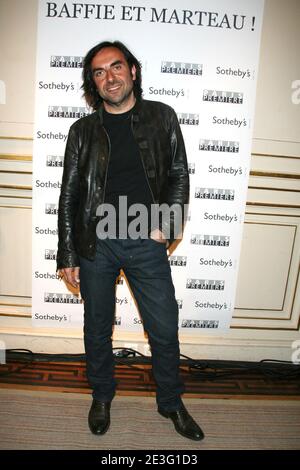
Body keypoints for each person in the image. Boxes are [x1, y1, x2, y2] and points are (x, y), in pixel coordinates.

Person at [57, 40, 204, 441]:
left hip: (145, 238)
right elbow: (70, 193)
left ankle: (170, 402)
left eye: (116, 67)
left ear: (133, 71)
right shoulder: (82, 130)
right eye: (100, 72)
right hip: (96, 242)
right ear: (94, 83)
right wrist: (67, 251)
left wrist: (167, 226)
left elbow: (177, 175)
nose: (110, 77)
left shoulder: (162, 117)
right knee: (97, 327)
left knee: (164, 329)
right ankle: (102, 395)